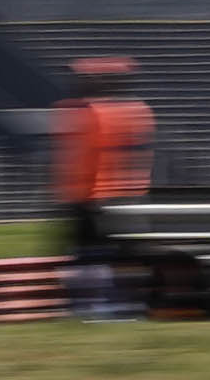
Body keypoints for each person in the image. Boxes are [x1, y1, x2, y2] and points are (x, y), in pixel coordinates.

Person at [47, 56, 155, 317]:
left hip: (97, 197)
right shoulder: (132, 110)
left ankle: (97, 308)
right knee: (98, 254)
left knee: (95, 254)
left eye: (87, 79)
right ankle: (104, 306)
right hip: (101, 197)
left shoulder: (94, 112)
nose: (80, 84)